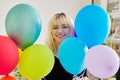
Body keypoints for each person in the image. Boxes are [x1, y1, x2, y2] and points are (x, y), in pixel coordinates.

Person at [43, 12, 88, 80]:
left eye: (64, 27)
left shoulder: (79, 53)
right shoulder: (45, 54)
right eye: (55, 27)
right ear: (51, 31)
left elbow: (84, 76)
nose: (60, 31)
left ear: (71, 29)